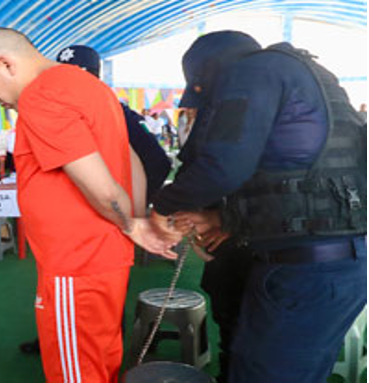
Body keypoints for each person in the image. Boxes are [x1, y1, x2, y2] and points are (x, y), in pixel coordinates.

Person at [151, 31, 367, 383]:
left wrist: (162, 209)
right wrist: (223, 218)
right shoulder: (307, 76)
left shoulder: (250, 73)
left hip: (305, 272)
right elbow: (297, 178)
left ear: (212, 73)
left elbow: (223, 166)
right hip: (333, 267)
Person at [0, 28, 179, 383]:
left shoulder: (41, 95)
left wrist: (131, 223)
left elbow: (99, 183)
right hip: (100, 256)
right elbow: (134, 159)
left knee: (76, 372)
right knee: (99, 362)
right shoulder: (91, 88)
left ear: (6, 64)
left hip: (77, 262)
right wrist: (134, 221)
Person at [56, 44, 172, 204]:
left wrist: (131, 206)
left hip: (110, 214)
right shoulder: (59, 114)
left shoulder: (118, 113)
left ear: (95, 78)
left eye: (77, 80)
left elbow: (158, 162)